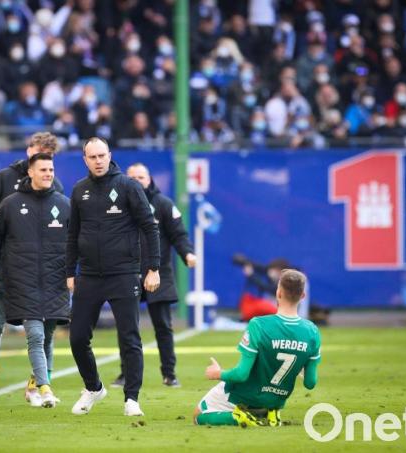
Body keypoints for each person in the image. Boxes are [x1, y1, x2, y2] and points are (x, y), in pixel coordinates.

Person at [66, 137, 161, 417]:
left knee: (129, 337)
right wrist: (70, 272)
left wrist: (152, 268)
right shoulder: (79, 190)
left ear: (110, 156)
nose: (98, 161)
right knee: (77, 337)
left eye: (101, 155)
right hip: (89, 276)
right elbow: (72, 235)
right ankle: (94, 388)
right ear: (85, 160)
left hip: (123, 274)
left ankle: (131, 398)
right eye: (92, 157)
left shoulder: (128, 186)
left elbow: (149, 227)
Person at [0, 131, 63, 404]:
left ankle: (34, 386)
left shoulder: (56, 188)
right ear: (29, 150)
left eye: (49, 156)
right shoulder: (4, 179)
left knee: (43, 333)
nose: (44, 162)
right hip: (6, 267)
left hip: (40, 272)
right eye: (38, 151)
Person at [194, 269, 321, 427]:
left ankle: (239, 417)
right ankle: (270, 412)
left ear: (278, 293)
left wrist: (217, 373)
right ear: (303, 296)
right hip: (276, 399)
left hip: (244, 396)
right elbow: (310, 383)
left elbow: (241, 374)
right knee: (267, 395)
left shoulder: (258, 324)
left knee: (198, 415)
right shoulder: (312, 332)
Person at [111, 163, 196, 389]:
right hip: (127, 272)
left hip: (158, 273)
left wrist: (187, 253)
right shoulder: (117, 205)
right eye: (133, 177)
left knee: (163, 327)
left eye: (141, 177)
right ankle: (125, 374)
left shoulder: (163, 204)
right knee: (127, 327)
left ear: (149, 179)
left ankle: (169, 374)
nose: (137, 181)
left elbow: (179, 234)